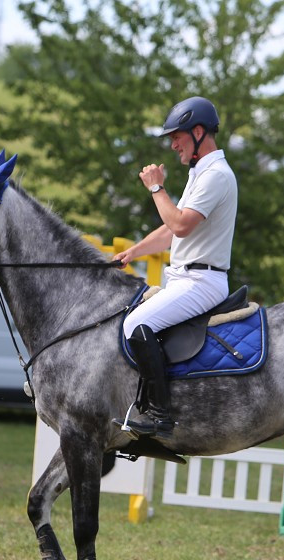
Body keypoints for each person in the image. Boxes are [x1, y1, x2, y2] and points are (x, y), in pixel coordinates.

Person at [112, 97, 238, 439]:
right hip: (186, 277)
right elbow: (170, 230)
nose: (173, 144)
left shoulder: (216, 176)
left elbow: (180, 224)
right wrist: (133, 253)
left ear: (198, 132)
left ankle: (159, 414)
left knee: (135, 323)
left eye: (177, 136)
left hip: (201, 281)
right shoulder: (201, 174)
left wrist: (156, 188)